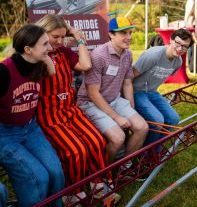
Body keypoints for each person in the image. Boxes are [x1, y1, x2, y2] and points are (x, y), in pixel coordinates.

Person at [35, 14, 113, 202]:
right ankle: (72, 194)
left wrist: (78, 39)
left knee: (97, 141)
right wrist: (44, 49)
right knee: (76, 150)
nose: (60, 41)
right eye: (55, 37)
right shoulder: (35, 55)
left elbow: (85, 65)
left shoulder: (63, 51)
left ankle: (98, 185)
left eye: (63, 36)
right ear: (42, 33)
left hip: (69, 109)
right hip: (49, 115)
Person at [0, 24, 64, 206]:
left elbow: (52, 72)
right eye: (45, 44)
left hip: (30, 128)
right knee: (37, 177)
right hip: (5, 134)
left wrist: (45, 57)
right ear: (28, 49)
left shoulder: (37, 64)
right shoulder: (4, 72)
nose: (50, 48)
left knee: (56, 171)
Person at [78, 17, 148, 164]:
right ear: (111, 34)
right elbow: (92, 93)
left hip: (114, 100)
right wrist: (117, 117)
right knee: (118, 138)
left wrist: (130, 109)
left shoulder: (127, 53)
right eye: (123, 33)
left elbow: (128, 82)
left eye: (130, 33)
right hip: (90, 102)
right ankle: (104, 173)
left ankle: (125, 166)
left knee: (142, 127)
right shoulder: (98, 55)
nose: (129, 37)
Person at [132, 29, 193, 146]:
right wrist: (127, 100)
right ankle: (146, 152)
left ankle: (157, 150)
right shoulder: (153, 55)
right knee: (157, 120)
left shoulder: (178, 61)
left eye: (185, 46)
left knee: (173, 119)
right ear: (170, 40)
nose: (180, 49)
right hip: (137, 92)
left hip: (152, 92)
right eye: (178, 43)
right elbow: (129, 76)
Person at [188, 3, 197, 73]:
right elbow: (191, 30)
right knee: (195, 55)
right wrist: (196, 39)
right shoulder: (192, 17)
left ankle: (196, 69)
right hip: (194, 39)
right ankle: (192, 69)